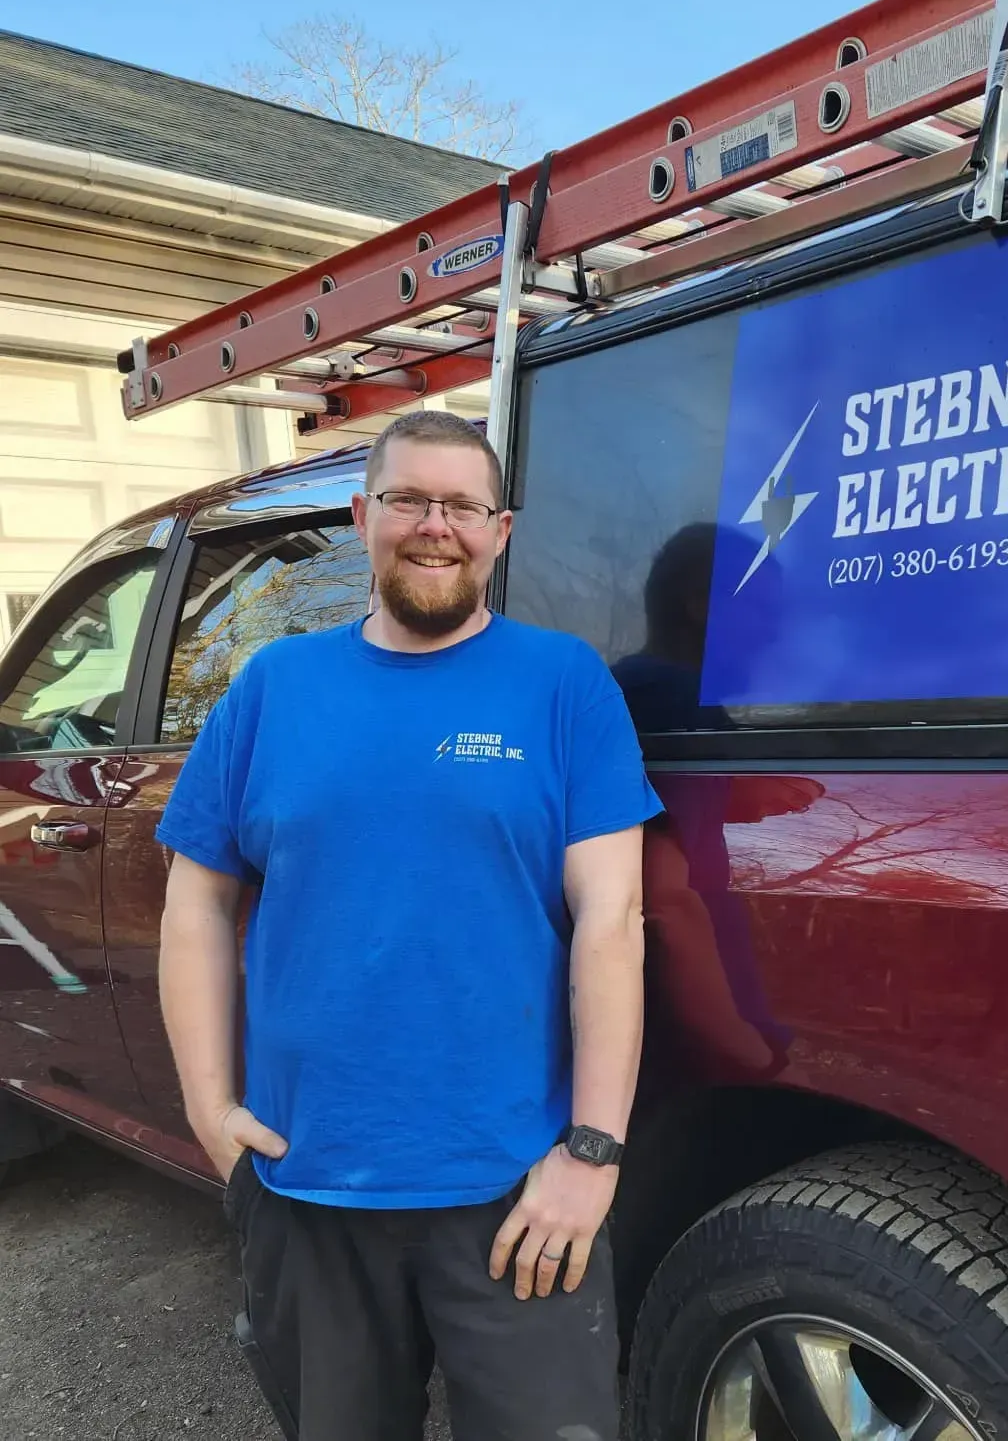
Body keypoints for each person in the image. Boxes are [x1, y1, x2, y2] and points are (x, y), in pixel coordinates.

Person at [156, 409, 660, 1441]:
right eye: (407, 500)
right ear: (361, 516)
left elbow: (613, 923)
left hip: (519, 1189)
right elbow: (195, 905)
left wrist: (592, 1153)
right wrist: (211, 1109)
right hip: (308, 1183)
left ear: (500, 530)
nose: (437, 526)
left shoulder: (563, 685)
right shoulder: (271, 688)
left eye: (462, 506)